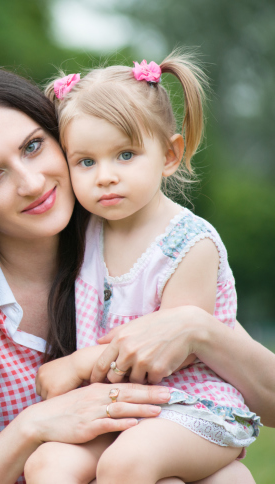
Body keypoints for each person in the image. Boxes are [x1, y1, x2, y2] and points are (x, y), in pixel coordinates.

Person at [0, 65, 275, 484]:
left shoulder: (130, 248)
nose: (32, 182)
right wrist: (31, 427)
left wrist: (195, 328)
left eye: (34, 146)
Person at [26, 51, 259, 484]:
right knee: (47, 464)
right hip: (120, 404)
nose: (105, 176)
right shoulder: (87, 232)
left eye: (126, 155)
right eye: (86, 162)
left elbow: (166, 353)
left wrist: (77, 364)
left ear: (170, 155)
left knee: (124, 464)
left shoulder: (189, 243)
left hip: (190, 406)